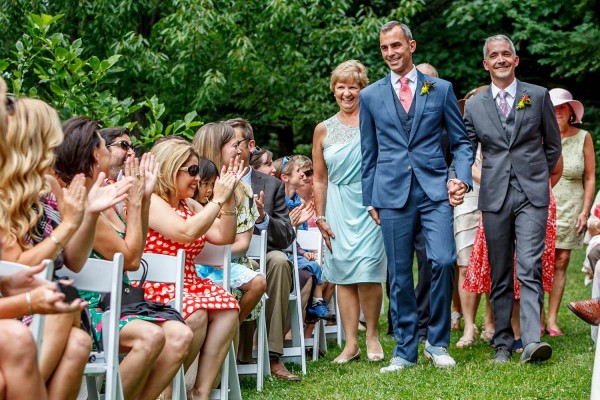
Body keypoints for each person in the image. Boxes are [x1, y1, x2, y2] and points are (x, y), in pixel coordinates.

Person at [0, 78, 131, 400]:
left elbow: (73, 259)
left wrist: (87, 215)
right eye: (51, 141)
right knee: (68, 312)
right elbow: (15, 266)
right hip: (26, 296)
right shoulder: (7, 192)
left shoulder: (49, 187)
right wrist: (68, 224)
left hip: (45, 293)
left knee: (77, 340)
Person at [360, 21, 473, 372]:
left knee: (442, 260)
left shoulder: (439, 89)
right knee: (398, 274)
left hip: (434, 190)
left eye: (396, 46)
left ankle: (437, 343)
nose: (391, 53)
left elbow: (461, 143)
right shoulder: (371, 95)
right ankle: (406, 349)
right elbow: (369, 152)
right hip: (391, 194)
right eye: (384, 48)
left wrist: (463, 180)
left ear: (411, 45)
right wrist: (370, 198)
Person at [54, 116, 193, 400]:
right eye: (107, 146)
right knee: (153, 336)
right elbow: (131, 259)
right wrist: (138, 200)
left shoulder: (104, 198)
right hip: (89, 308)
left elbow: (134, 250)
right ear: (95, 154)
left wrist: (141, 198)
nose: (125, 152)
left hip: (117, 301)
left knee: (180, 336)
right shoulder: (80, 200)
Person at [463, 34, 561, 363]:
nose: (501, 59)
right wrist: (457, 176)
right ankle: (503, 343)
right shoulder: (475, 105)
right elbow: (466, 148)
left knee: (529, 266)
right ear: (486, 63)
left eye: (507, 54)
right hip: (494, 196)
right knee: (500, 270)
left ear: (516, 60)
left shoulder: (538, 95)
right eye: (494, 55)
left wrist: (534, 174)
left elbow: (553, 145)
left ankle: (532, 341)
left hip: (532, 195)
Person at [144, 139, 242, 399]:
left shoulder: (191, 205)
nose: (198, 178)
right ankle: (167, 390)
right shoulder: (151, 201)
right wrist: (217, 201)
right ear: (170, 169)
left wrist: (228, 200)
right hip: (153, 285)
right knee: (196, 313)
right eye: (192, 171)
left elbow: (225, 235)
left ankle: (200, 392)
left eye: (198, 171)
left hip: (188, 283)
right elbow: (185, 232)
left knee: (228, 308)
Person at [313, 60, 387, 364]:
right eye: (341, 87)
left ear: (362, 89)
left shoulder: (376, 122)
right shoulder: (323, 129)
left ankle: (372, 335)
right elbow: (319, 178)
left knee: (369, 270)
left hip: (370, 204)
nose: (346, 93)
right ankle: (350, 343)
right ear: (333, 90)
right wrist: (320, 216)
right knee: (343, 274)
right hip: (338, 205)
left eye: (352, 87)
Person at [223, 118, 300, 381]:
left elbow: (287, 235)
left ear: (250, 145)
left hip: (262, 254)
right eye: (225, 143)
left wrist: (261, 219)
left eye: (235, 143)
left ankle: (273, 356)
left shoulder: (271, 184)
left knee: (278, 261)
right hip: (223, 253)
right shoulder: (213, 177)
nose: (231, 149)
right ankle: (232, 349)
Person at [191, 126, 266, 324]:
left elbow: (242, 245)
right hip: (190, 262)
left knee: (254, 281)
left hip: (228, 263)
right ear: (216, 148)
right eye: (234, 146)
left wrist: (210, 257)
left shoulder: (244, 191)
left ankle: (232, 328)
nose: (240, 150)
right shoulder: (190, 184)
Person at [545, 88, 595, 336]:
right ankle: (537, 314)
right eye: (553, 107)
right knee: (536, 262)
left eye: (563, 107)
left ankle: (552, 319)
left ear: (571, 111)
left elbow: (590, 177)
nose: (558, 111)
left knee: (561, 260)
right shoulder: (538, 136)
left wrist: (585, 212)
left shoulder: (583, 136)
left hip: (572, 205)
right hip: (542, 204)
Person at [454, 86, 486, 348]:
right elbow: (460, 165)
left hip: (498, 201)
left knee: (496, 265)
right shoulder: (461, 136)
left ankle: (493, 323)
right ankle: (469, 326)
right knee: (465, 265)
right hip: (467, 200)